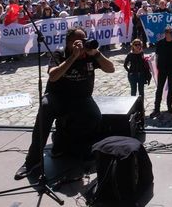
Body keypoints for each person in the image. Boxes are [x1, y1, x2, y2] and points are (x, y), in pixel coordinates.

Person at [14, 27, 115, 181]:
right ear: (68, 43)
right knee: (45, 109)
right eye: (78, 41)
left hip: (81, 98)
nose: (82, 44)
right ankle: (32, 161)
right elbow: (53, 76)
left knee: (94, 117)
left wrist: (96, 53)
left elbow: (111, 69)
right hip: (57, 97)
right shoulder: (60, 53)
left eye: (84, 39)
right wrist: (73, 58)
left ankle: (74, 146)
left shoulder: (90, 54)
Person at [151, 25, 172, 117]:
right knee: (159, 89)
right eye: (168, 32)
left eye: (171, 32)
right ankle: (157, 108)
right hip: (163, 69)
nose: (170, 34)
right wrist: (158, 66)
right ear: (165, 33)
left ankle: (169, 106)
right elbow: (157, 56)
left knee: (171, 88)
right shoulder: (160, 43)